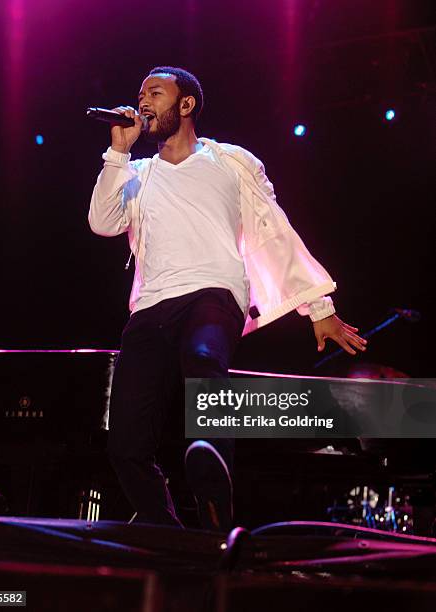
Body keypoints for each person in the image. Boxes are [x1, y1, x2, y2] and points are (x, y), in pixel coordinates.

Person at [88, 66, 367, 531]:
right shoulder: (137, 173)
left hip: (214, 293)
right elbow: (101, 222)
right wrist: (117, 153)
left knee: (203, 360)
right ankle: (165, 526)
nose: (143, 102)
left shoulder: (230, 161)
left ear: (186, 104)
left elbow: (275, 231)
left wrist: (319, 308)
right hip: (152, 304)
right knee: (125, 444)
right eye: (140, 94)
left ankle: (215, 504)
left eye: (155, 93)